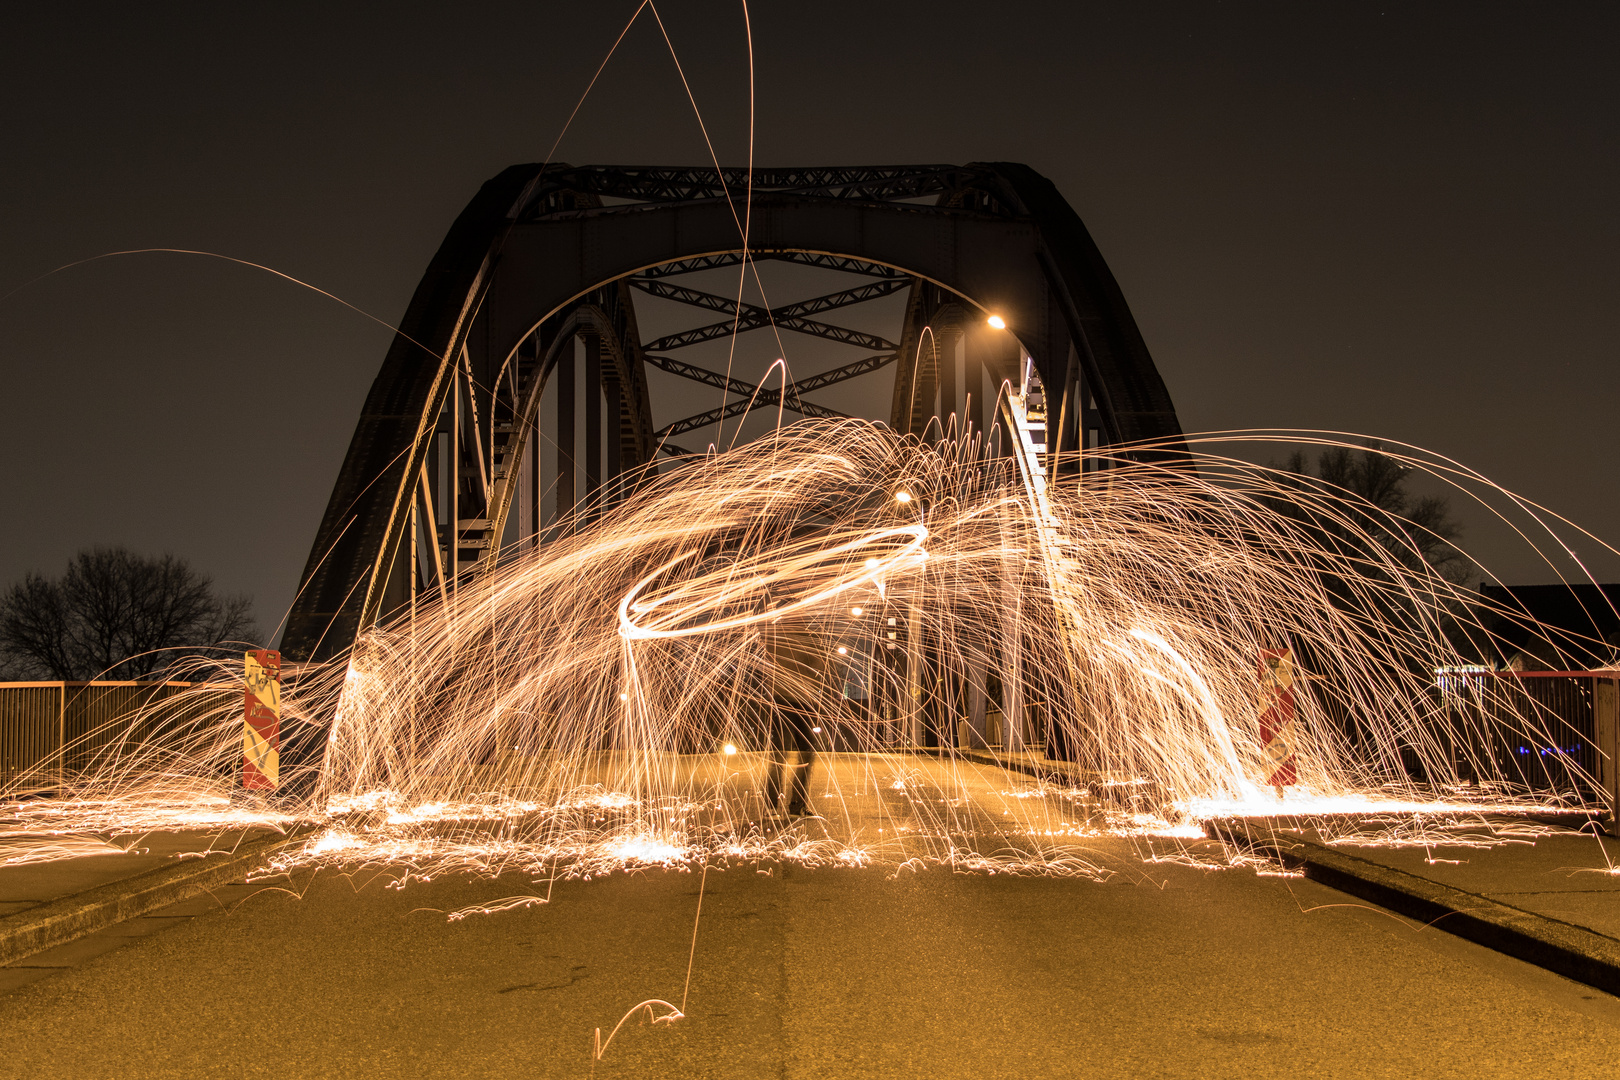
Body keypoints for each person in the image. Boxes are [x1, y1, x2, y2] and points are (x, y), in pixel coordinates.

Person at [762, 618, 827, 817]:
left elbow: (765, 665)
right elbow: (821, 668)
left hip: (779, 699)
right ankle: (797, 805)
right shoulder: (809, 641)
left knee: (778, 755)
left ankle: (771, 806)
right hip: (802, 701)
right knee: (806, 754)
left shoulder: (774, 639)